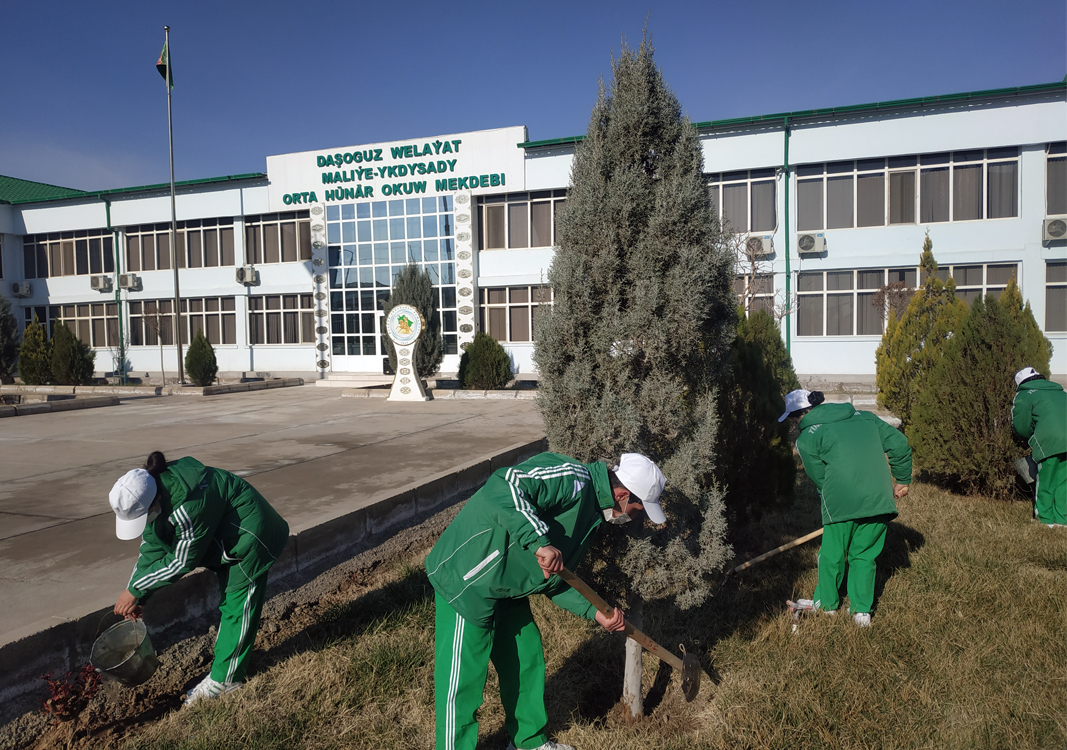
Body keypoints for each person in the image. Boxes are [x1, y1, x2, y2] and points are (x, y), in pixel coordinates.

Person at [425, 451, 667, 750]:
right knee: (462, 683)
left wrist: (595, 612)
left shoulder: (591, 515)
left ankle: (528, 743)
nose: (634, 517)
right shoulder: (573, 479)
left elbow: (556, 577)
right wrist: (539, 539)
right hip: (467, 578)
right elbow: (505, 483)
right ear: (621, 494)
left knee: (526, 659)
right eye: (637, 509)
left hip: (506, 587)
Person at [109, 451, 289, 706]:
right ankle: (227, 664)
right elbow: (153, 544)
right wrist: (139, 593)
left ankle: (226, 681)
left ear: (153, 502)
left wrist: (136, 589)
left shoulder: (189, 505)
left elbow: (181, 561)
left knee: (238, 606)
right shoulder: (158, 487)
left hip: (249, 536)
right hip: (224, 539)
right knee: (231, 605)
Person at [780, 390, 912, 628]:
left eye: (792, 419)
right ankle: (862, 613)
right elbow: (899, 443)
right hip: (878, 499)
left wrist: (833, 500)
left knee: (831, 555)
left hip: (840, 502)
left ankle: (827, 605)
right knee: (864, 554)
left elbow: (820, 478)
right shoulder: (866, 417)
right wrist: (902, 480)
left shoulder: (807, 438)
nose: (794, 424)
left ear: (800, 415)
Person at [1011, 367, 1066, 528]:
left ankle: (1045, 519)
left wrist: (1028, 436)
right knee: (1063, 481)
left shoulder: (1025, 394)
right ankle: (1062, 519)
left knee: (1045, 480)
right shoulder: (1060, 391)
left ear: (1020, 384)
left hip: (1049, 441)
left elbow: (1020, 426)